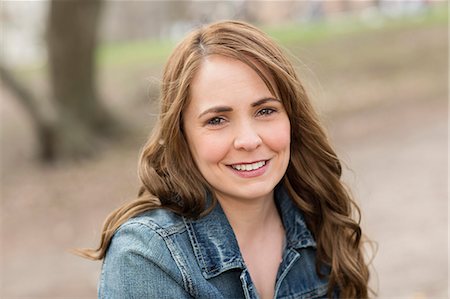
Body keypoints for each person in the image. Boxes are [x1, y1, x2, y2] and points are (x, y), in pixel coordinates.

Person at [79, 20, 370, 298]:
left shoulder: (318, 219)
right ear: (182, 135)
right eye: (217, 120)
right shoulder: (148, 256)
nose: (248, 140)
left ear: (292, 119)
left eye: (265, 111)